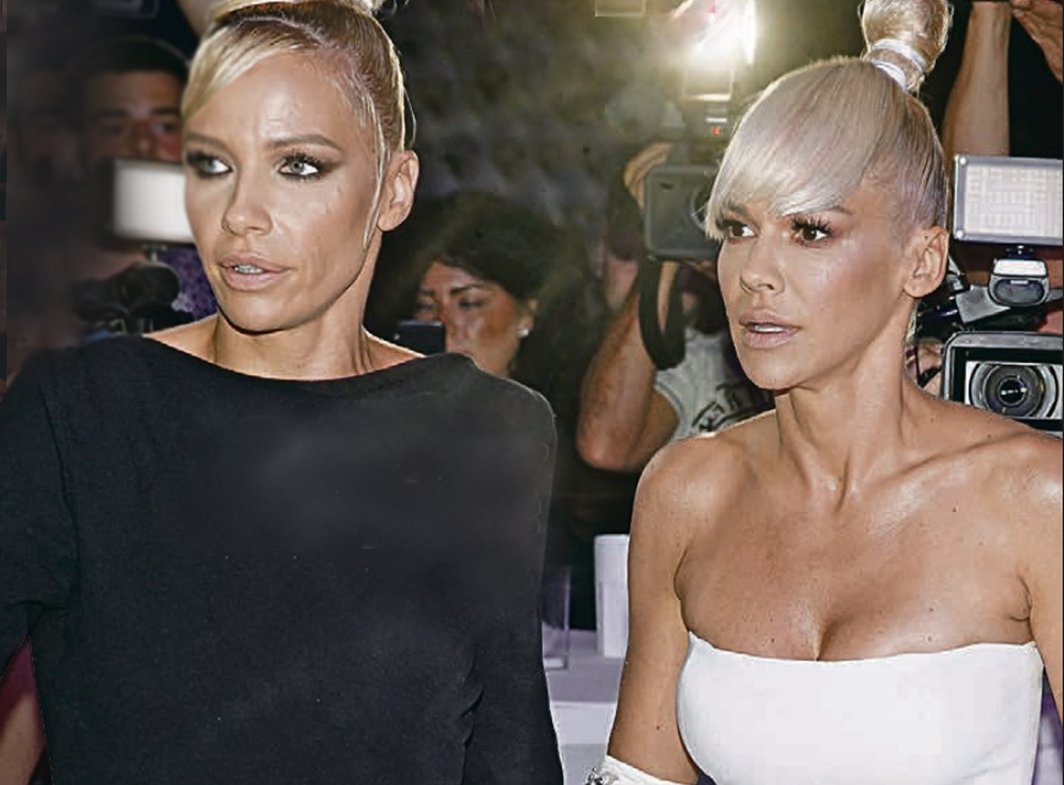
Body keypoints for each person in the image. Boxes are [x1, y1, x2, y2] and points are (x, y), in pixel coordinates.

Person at [0, 2, 562, 783]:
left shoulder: (490, 428)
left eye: (298, 165)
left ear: (394, 189)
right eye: (213, 165)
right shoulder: (83, 412)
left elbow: (507, 744)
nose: (240, 215)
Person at [591, 0, 1062, 782]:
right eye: (738, 227)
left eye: (810, 230)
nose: (754, 272)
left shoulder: (1031, 495)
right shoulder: (687, 488)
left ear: (921, 261)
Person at [577, 144, 769, 475]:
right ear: (595, 256)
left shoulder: (747, 337)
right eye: (627, 253)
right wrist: (664, 242)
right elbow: (606, 446)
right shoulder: (684, 360)